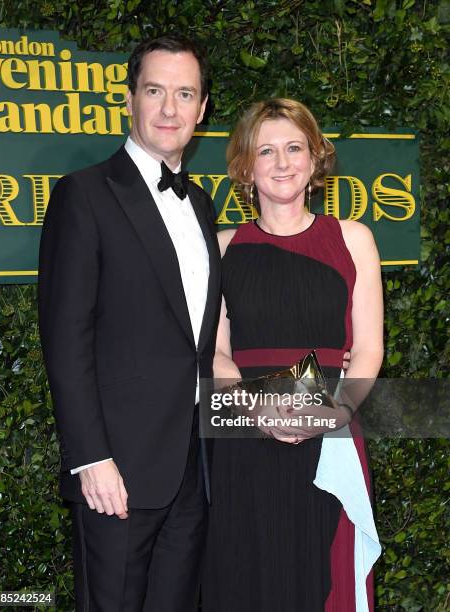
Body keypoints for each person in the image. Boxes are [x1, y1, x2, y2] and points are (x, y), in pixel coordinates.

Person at [38, 35, 221, 612]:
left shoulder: (202, 206)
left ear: (203, 107)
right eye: (155, 91)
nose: (170, 109)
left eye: (185, 94)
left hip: (193, 468)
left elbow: (197, 341)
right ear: (129, 99)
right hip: (116, 471)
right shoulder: (84, 195)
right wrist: (90, 458)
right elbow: (66, 338)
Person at [201, 98, 383, 611]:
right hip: (244, 436)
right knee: (249, 575)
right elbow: (214, 352)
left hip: (331, 435)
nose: (282, 163)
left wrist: (339, 410)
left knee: (323, 578)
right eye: (266, 151)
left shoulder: (354, 240)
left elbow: (369, 348)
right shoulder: (221, 247)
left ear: (314, 158)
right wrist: (256, 410)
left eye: (294, 148)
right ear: (245, 166)